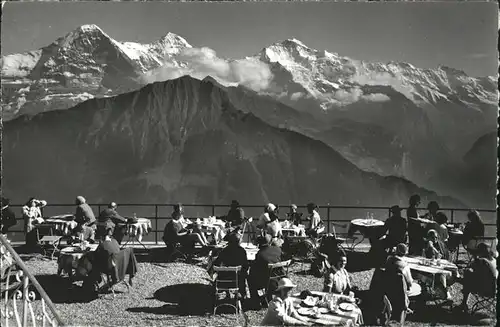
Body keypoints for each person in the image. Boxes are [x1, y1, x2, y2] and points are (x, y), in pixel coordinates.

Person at [459, 243, 497, 313]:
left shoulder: (482, 261)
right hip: (494, 290)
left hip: (486, 291)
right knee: (469, 276)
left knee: (468, 274)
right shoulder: (494, 260)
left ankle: (464, 303)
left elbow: (475, 274)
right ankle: (464, 303)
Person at [248, 234, 283, 306]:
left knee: (250, 277)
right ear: (270, 242)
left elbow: (255, 268)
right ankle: (268, 296)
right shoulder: (278, 250)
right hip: (280, 279)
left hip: (266, 282)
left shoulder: (260, 254)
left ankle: (255, 300)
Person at [213, 233, 249, 297]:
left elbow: (216, 264)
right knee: (243, 273)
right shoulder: (242, 251)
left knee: (224, 272)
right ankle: (243, 295)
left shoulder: (225, 250)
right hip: (238, 281)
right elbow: (246, 266)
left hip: (224, 280)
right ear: (239, 241)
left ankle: (227, 293)